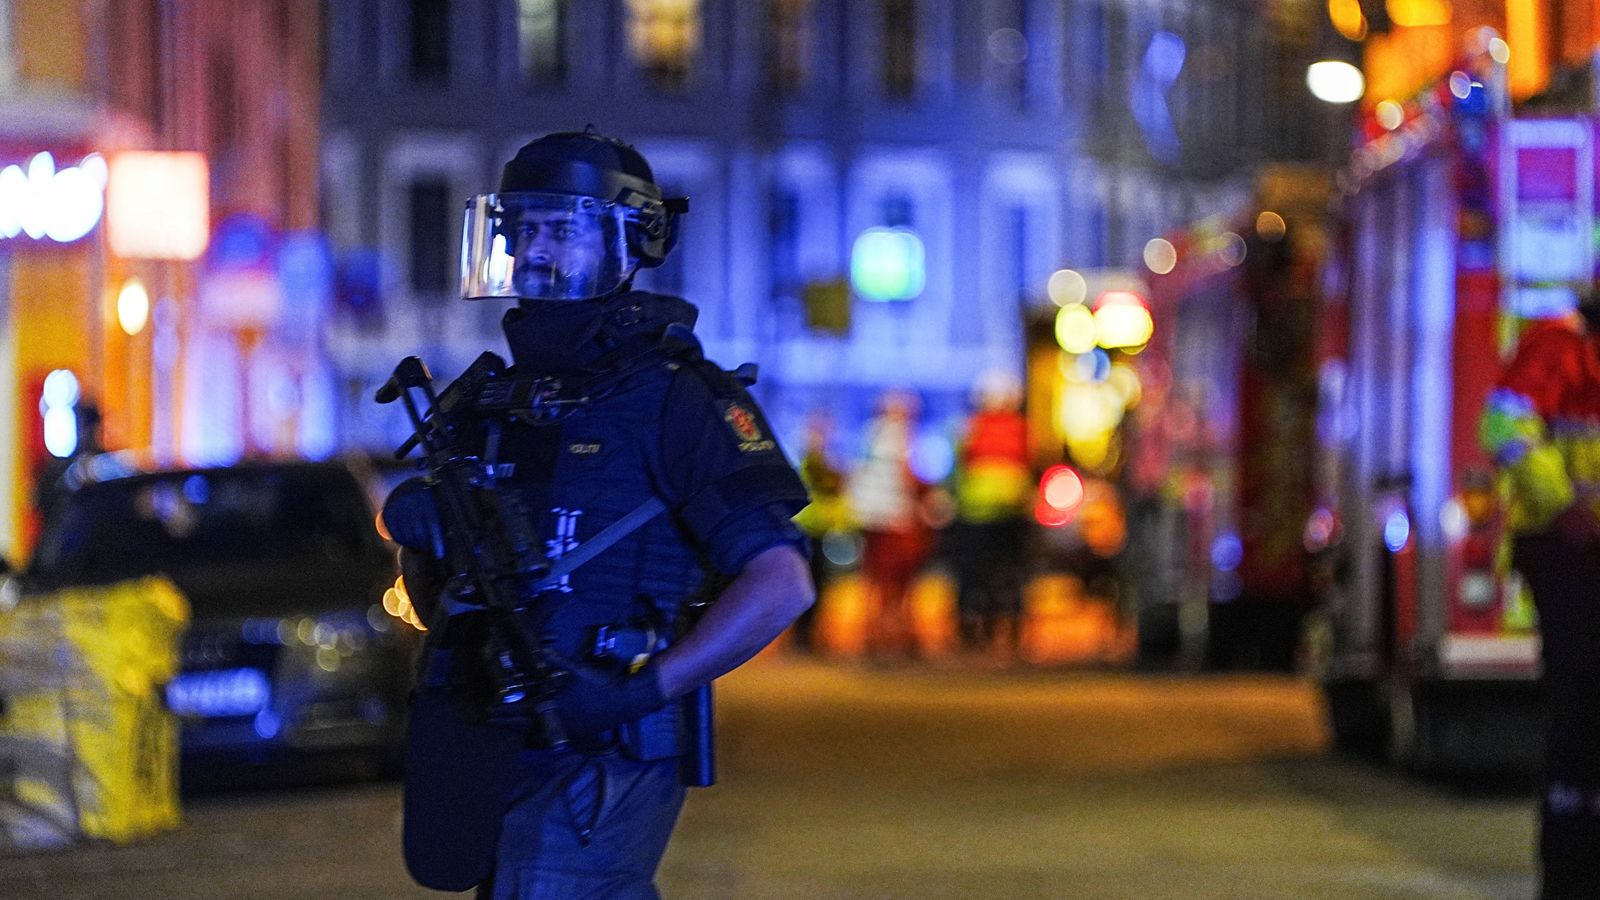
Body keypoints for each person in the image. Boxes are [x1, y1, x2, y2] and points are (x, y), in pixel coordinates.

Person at [383, 130, 814, 899]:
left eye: (562, 227)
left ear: (629, 240)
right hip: (488, 737)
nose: (536, 250)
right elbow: (442, 603)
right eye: (523, 228)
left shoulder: (682, 397)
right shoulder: (489, 401)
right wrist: (423, 540)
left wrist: (647, 690)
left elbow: (781, 580)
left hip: (606, 746)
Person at [1481, 294, 1600, 899]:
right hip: (1567, 554)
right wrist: (1564, 505)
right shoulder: (1556, 349)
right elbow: (1504, 424)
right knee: (1580, 701)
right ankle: (1571, 867)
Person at [949, 371, 1032, 657]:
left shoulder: (970, 428)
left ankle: (974, 628)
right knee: (1008, 576)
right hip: (1009, 514)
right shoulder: (1020, 428)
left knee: (975, 575)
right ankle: (1008, 629)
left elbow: (957, 470)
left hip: (975, 515)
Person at [848, 389, 932, 659]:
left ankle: (872, 633)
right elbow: (906, 474)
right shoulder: (897, 434)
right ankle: (897, 634)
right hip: (895, 516)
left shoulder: (870, 434)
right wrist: (924, 498)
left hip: (870, 517)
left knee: (874, 579)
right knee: (899, 582)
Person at [790, 411, 849, 654]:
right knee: (808, 584)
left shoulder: (824, 461)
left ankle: (809, 633)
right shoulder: (812, 462)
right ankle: (802, 635)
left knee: (819, 585)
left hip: (821, 530)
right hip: (807, 530)